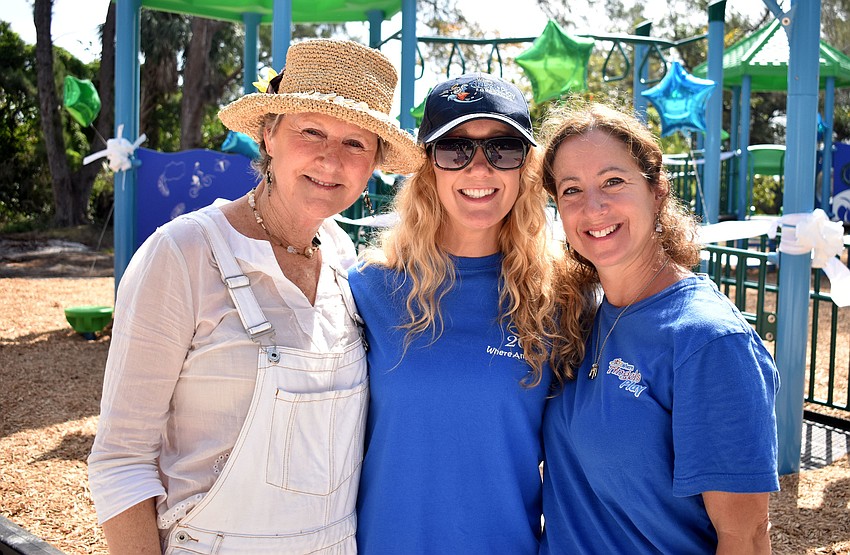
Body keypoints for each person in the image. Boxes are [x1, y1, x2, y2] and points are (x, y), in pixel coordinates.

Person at [87, 38, 420, 554]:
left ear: (375, 160)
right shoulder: (183, 253)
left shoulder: (341, 257)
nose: (331, 160)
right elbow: (121, 460)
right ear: (269, 135)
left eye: (357, 143)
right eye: (312, 131)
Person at [538, 101, 780, 554]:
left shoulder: (708, 341)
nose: (593, 207)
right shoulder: (583, 314)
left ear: (657, 191)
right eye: (571, 190)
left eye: (613, 181)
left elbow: (745, 538)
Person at [349, 73, 559, 553]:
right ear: (428, 169)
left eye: (503, 149)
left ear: (525, 169)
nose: (480, 170)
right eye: (455, 149)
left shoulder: (556, 299)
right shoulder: (368, 289)